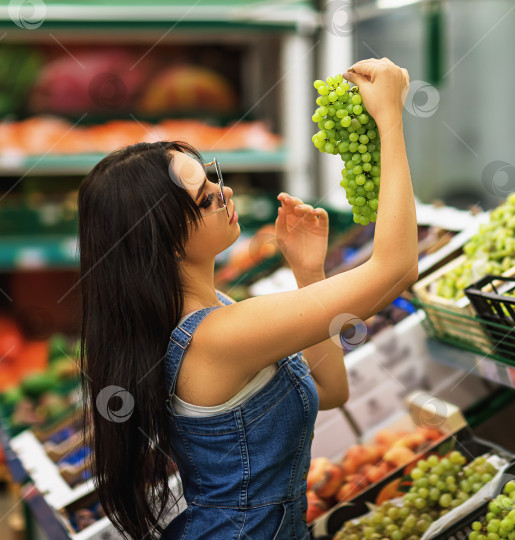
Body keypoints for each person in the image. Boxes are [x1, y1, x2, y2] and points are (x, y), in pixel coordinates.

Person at [77, 58, 416, 539]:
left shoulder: (204, 313)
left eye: (213, 174)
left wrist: (309, 272)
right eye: (206, 195)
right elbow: (396, 266)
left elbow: (332, 392)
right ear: (163, 238)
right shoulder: (217, 337)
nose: (225, 191)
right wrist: (390, 120)